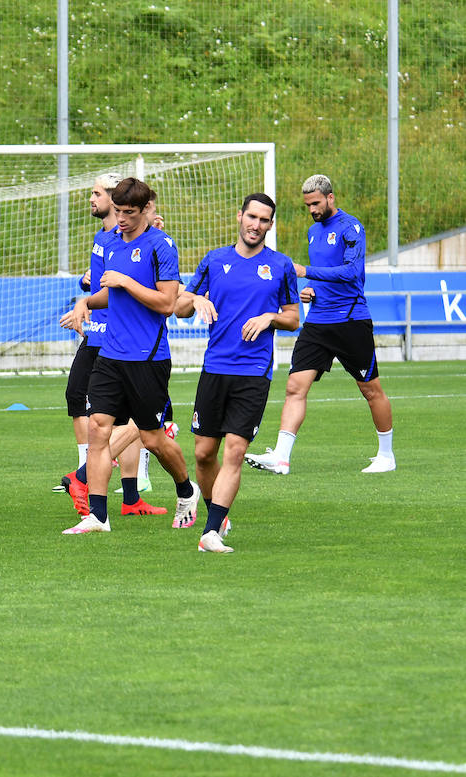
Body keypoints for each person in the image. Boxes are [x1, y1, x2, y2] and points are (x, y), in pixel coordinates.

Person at [58, 178, 200, 534]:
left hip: (147, 358)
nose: (121, 218)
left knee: (152, 438)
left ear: (145, 210)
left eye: (129, 212)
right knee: (98, 429)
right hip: (110, 353)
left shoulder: (161, 245)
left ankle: (187, 489)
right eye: (118, 210)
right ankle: (98, 516)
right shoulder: (109, 243)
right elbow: (110, 295)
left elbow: (166, 303)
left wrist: (126, 282)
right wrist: (85, 302)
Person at [246, 174, 395, 475]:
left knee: (371, 390)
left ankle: (386, 455)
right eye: (307, 205)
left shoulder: (351, 227)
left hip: (350, 320)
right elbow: (323, 274)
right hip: (317, 322)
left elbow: (351, 272)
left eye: (316, 203)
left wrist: (306, 271)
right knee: (294, 386)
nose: (312, 209)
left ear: (330, 197)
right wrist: (311, 289)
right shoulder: (313, 232)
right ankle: (281, 458)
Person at [177, 193, 300, 552]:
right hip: (215, 367)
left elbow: (293, 318)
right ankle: (219, 515)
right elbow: (179, 306)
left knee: (234, 451)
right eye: (252, 217)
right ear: (240, 216)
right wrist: (196, 298)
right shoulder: (215, 260)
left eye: (264, 220)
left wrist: (270, 317)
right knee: (204, 454)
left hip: (253, 372)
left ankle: (210, 532)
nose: (256, 225)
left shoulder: (280, 265)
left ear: (270, 225)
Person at [58, 174, 158, 516]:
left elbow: (139, 288)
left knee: (134, 419)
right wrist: (85, 297)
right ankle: (100, 482)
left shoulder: (135, 239)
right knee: (97, 409)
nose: (92, 198)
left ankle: (99, 482)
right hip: (102, 336)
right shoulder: (104, 239)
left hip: (120, 340)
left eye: (97, 193)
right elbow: (102, 285)